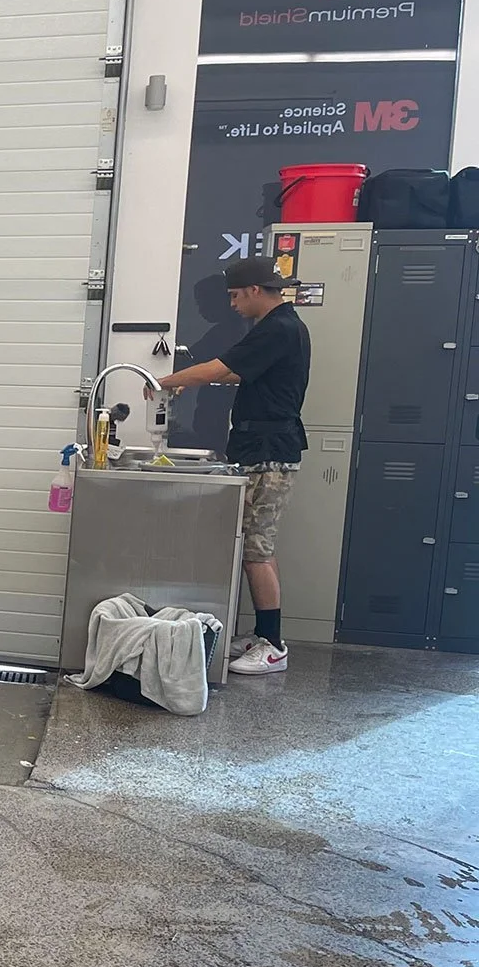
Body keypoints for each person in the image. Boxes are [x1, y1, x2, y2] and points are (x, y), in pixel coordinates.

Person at [156, 256, 311, 676]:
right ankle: (264, 633)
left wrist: (167, 382)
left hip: (268, 450)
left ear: (256, 291)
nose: (232, 305)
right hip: (261, 447)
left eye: (235, 296)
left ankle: (274, 646)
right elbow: (236, 375)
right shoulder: (278, 328)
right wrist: (196, 380)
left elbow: (222, 367)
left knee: (256, 550)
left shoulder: (278, 328)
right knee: (260, 547)